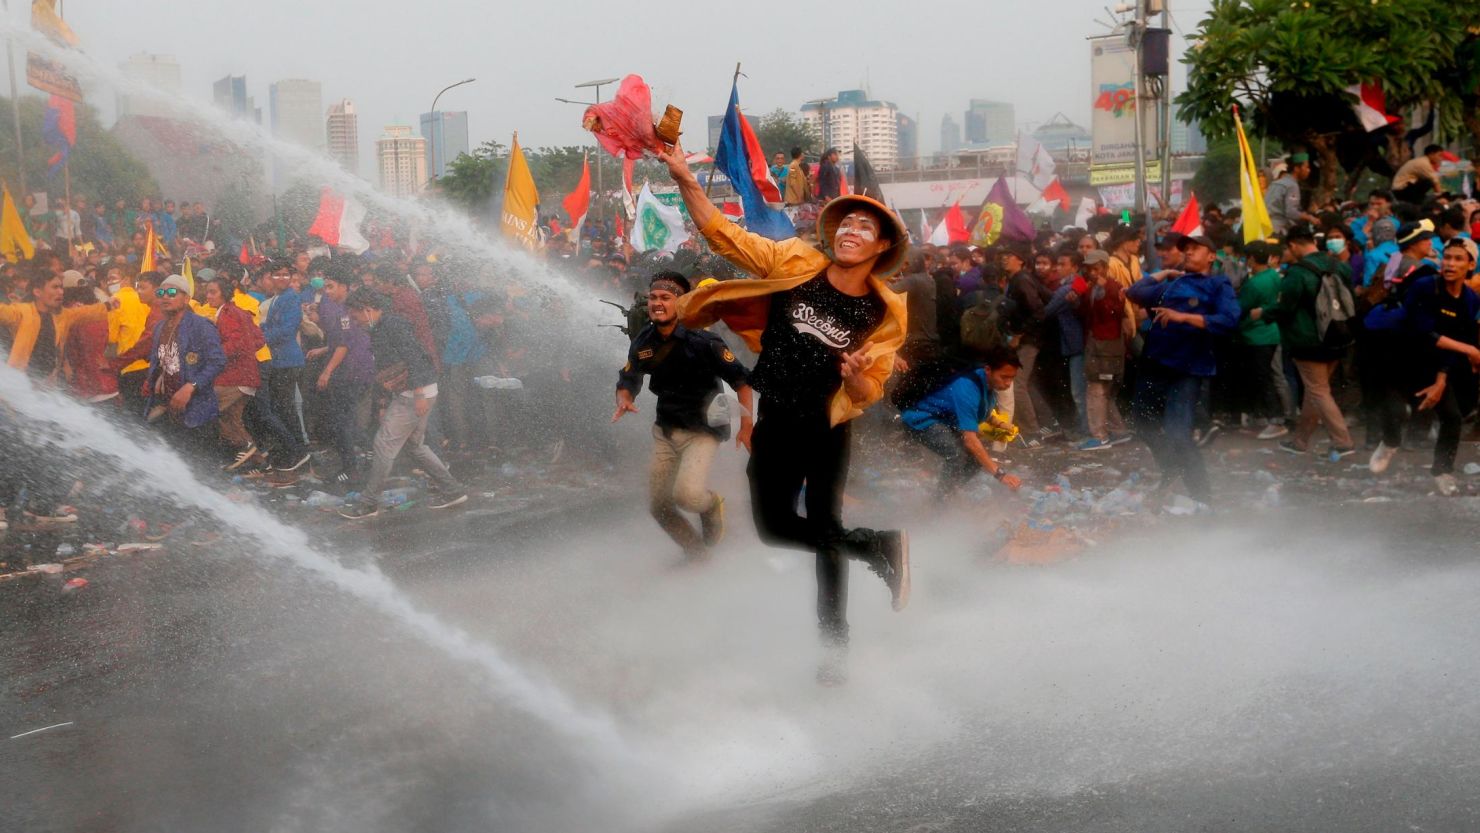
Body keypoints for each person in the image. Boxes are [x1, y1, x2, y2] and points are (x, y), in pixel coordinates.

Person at [659, 139, 910, 686]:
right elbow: (723, 235)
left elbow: (874, 383)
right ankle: (875, 544)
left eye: (865, 228)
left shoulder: (884, 310)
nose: (850, 232)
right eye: (845, 223)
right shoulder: (796, 260)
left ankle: (834, 648)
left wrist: (856, 375)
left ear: (882, 244)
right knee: (775, 528)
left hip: (825, 424)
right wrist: (684, 177)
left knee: (824, 530)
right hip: (775, 417)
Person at [613, 271, 755, 561]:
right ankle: (695, 552)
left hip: (703, 430)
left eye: (665, 297)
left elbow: (742, 381)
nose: (657, 303)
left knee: (687, 495)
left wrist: (747, 425)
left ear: (681, 302)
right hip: (666, 429)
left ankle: (711, 504)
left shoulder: (704, 341)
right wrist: (625, 397)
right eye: (653, 297)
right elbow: (630, 375)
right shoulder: (644, 340)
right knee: (659, 506)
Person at [1126, 234, 1241, 505]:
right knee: (1142, 424)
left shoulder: (1217, 284)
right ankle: (1171, 468)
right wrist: (1163, 272)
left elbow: (1229, 319)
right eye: (1185, 249)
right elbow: (1135, 293)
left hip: (1188, 369)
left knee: (1178, 433)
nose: (1188, 253)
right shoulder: (1174, 282)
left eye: (1195, 249)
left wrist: (1184, 317)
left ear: (1211, 256)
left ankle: (1203, 498)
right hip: (1154, 365)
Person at [338, 288, 468, 519]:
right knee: (414, 446)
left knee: (383, 445)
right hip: (412, 393)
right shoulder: (380, 328)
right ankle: (453, 490)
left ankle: (368, 503)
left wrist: (418, 394)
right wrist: (383, 402)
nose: (356, 322)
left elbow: (414, 357)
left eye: (356, 316)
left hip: (415, 393)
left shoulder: (393, 325)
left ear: (367, 309)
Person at [1399, 237, 1480, 495]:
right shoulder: (1425, 287)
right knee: (1393, 409)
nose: (1450, 264)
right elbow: (1422, 331)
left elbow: (1457, 340)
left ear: (1471, 265)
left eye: (1458, 259)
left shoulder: (1469, 299)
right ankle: (1388, 442)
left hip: (1436, 364)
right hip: (1402, 358)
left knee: (1453, 416)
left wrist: (1442, 379)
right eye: (1447, 257)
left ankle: (1442, 471)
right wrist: (1469, 350)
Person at [1270, 225, 1357, 458]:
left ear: (1293, 245)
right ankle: (1300, 441)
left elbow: (1285, 308)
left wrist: (1264, 313)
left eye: (1286, 250)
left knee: (1318, 391)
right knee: (1316, 391)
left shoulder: (1297, 273)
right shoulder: (1339, 266)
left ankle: (1343, 442)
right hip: (1338, 335)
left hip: (1308, 341)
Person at [899, 348, 1024, 498]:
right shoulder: (967, 386)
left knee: (976, 460)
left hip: (944, 420)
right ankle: (939, 503)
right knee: (956, 454)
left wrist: (998, 423)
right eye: (1004, 377)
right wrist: (1000, 475)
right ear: (988, 370)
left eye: (1012, 378)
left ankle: (949, 491)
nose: (1008, 383)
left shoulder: (987, 383)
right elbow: (970, 440)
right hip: (921, 419)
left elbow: (979, 409)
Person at [142, 274, 227, 456]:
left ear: (186, 298)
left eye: (172, 292)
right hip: (168, 408)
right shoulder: (159, 328)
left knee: (198, 468)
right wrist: (154, 381)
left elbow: (218, 361)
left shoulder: (201, 326)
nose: (165, 296)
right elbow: (160, 362)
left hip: (196, 410)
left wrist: (190, 387)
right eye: (161, 292)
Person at [310, 265, 374, 482]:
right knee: (344, 418)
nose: (326, 291)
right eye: (325, 287)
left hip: (351, 370)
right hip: (353, 369)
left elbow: (344, 345)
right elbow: (341, 341)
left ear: (344, 287)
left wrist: (326, 372)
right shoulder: (342, 307)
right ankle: (367, 452)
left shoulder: (346, 310)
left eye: (330, 287)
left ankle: (351, 468)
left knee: (342, 420)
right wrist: (324, 349)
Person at [1235, 241, 1289, 439]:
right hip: (1270, 332)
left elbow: (1240, 308)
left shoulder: (1254, 283)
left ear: (1250, 259)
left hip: (1256, 335)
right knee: (1265, 376)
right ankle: (1264, 417)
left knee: (1262, 378)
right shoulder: (1274, 276)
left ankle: (1275, 419)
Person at [1079, 249, 1131, 448]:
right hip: (1096, 343)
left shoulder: (1114, 287)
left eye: (1096, 268)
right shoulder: (1091, 287)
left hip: (1107, 346)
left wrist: (1101, 295)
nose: (1093, 272)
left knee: (1097, 390)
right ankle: (1118, 431)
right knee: (1102, 390)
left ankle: (1099, 436)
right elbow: (1085, 313)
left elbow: (1114, 313)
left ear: (1106, 268)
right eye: (1090, 269)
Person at [1264, 153, 1319, 233]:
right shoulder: (1292, 185)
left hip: (1265, 227)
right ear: (1296, 168)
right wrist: (1310, 218)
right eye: (1306, 167)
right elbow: (1291, 212)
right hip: (1278, 229)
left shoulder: (1275, 183)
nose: (1309, 170)